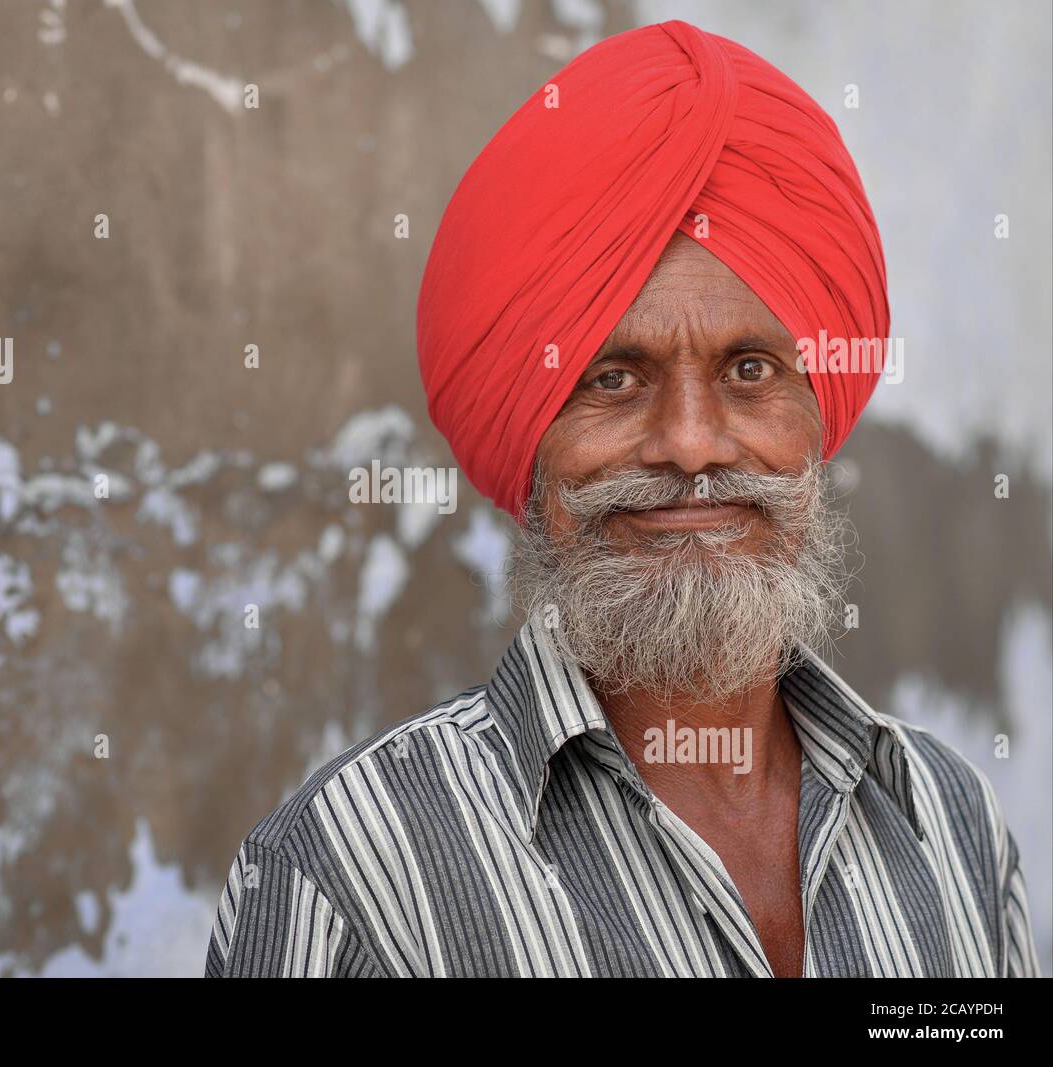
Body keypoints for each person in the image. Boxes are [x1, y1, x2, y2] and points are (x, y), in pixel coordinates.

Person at [204, 19, 1039, 978]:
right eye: (612, 378)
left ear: (818, 417)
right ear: (531, 437)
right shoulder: (350, 879)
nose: (690, 443)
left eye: (751, 368)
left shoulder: (955, 829)